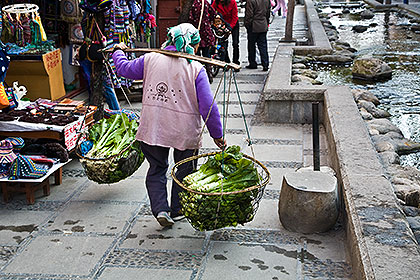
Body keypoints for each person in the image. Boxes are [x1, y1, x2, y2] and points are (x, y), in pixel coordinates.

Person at [111, 23, 226, 227]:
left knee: (157, 167)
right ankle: (178, 209)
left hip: (154, 127)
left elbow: (123, 69)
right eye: (197, 45)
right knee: (185, 170)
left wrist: (118, 52)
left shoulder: (151, 59)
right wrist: (217, 134)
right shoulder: (195, 68)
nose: (198, 50)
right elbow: (208, 106)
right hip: (184, 130)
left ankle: (161, 209)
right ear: (192, 44)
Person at [212, 0, 240, 67]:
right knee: (223, 44)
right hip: (223, 24)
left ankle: (235, 61)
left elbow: (234, 17)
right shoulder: (216, 2)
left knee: (235, 43)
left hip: (233, 24)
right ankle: (227, 61)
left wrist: (230, 28)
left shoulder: (232, 2)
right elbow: (212, 11)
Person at [244, 0, 271, 71]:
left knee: (251, 45)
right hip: (263, 24)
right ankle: (265, 63)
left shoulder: (250, 1)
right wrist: (266, 22)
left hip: (254, 25)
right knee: (263, 46)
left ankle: (252, 63)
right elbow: (268, 13)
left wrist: (247, 24)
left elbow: (249, 14)